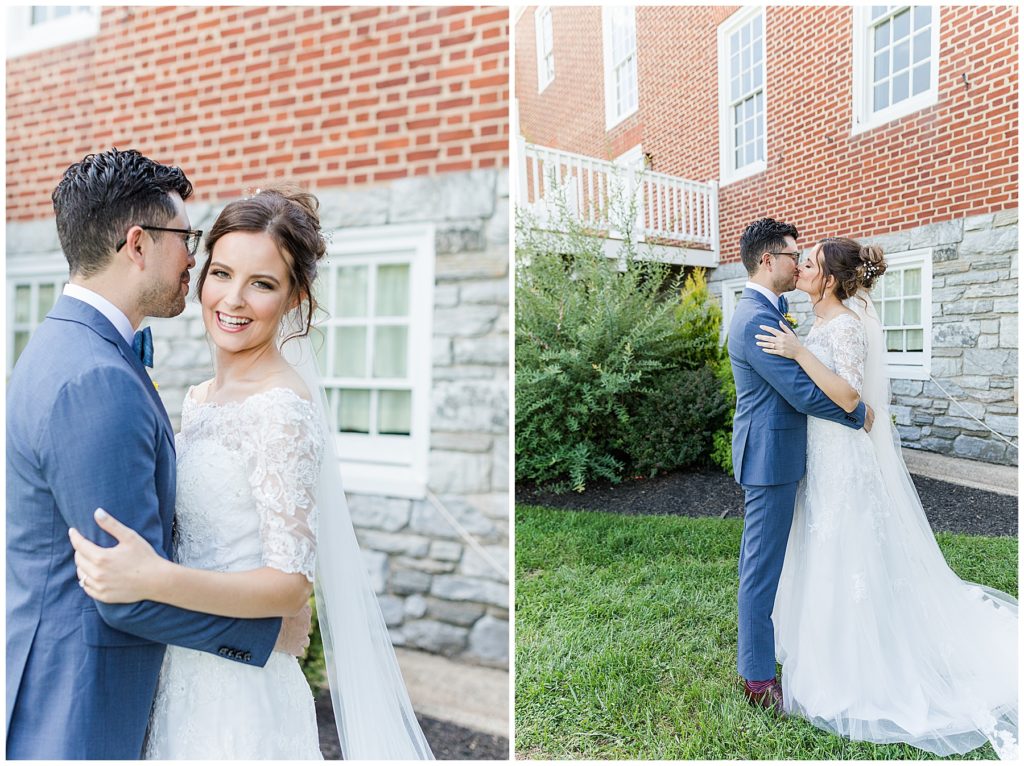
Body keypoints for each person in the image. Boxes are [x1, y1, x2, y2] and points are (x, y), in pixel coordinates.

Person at [68, 186, 434, 759]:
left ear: (293, 298)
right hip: (184, 675)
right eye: (221, 273)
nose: (232, 299)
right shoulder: (201, 398)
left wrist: (152, 578)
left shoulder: (282, 408)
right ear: (201, 273)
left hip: (241, 697)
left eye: (262, 284)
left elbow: (291, 584)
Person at [6, 149, 308, 760]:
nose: (192, 260)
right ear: (138, 244)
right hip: (82, 706)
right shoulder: (96, 377)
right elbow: (126, 590)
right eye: (187, 239)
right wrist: (266, 633)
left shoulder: (67, 346)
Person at [754, 236, 1018, 758]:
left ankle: (861, 661)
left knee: (849, 546)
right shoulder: (820, 321)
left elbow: (851, 396)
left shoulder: (848, 326)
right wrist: (800, 344)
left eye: (810, 264)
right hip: (821, 454)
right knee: (822, 543)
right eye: (801, 261)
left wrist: (799, 351)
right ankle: (823, 648)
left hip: (844, 461)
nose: (802, 267)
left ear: (829, 280)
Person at [726, 218, 874, 715]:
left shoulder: (771, 311)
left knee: (779, 562)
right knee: (761, 569)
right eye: (793, 255)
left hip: (783, 453)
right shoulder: (755, 319)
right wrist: (857, 413)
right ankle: (757, 677)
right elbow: (803, 392)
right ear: (768, 260)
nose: (799, 263)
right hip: (769, 459)